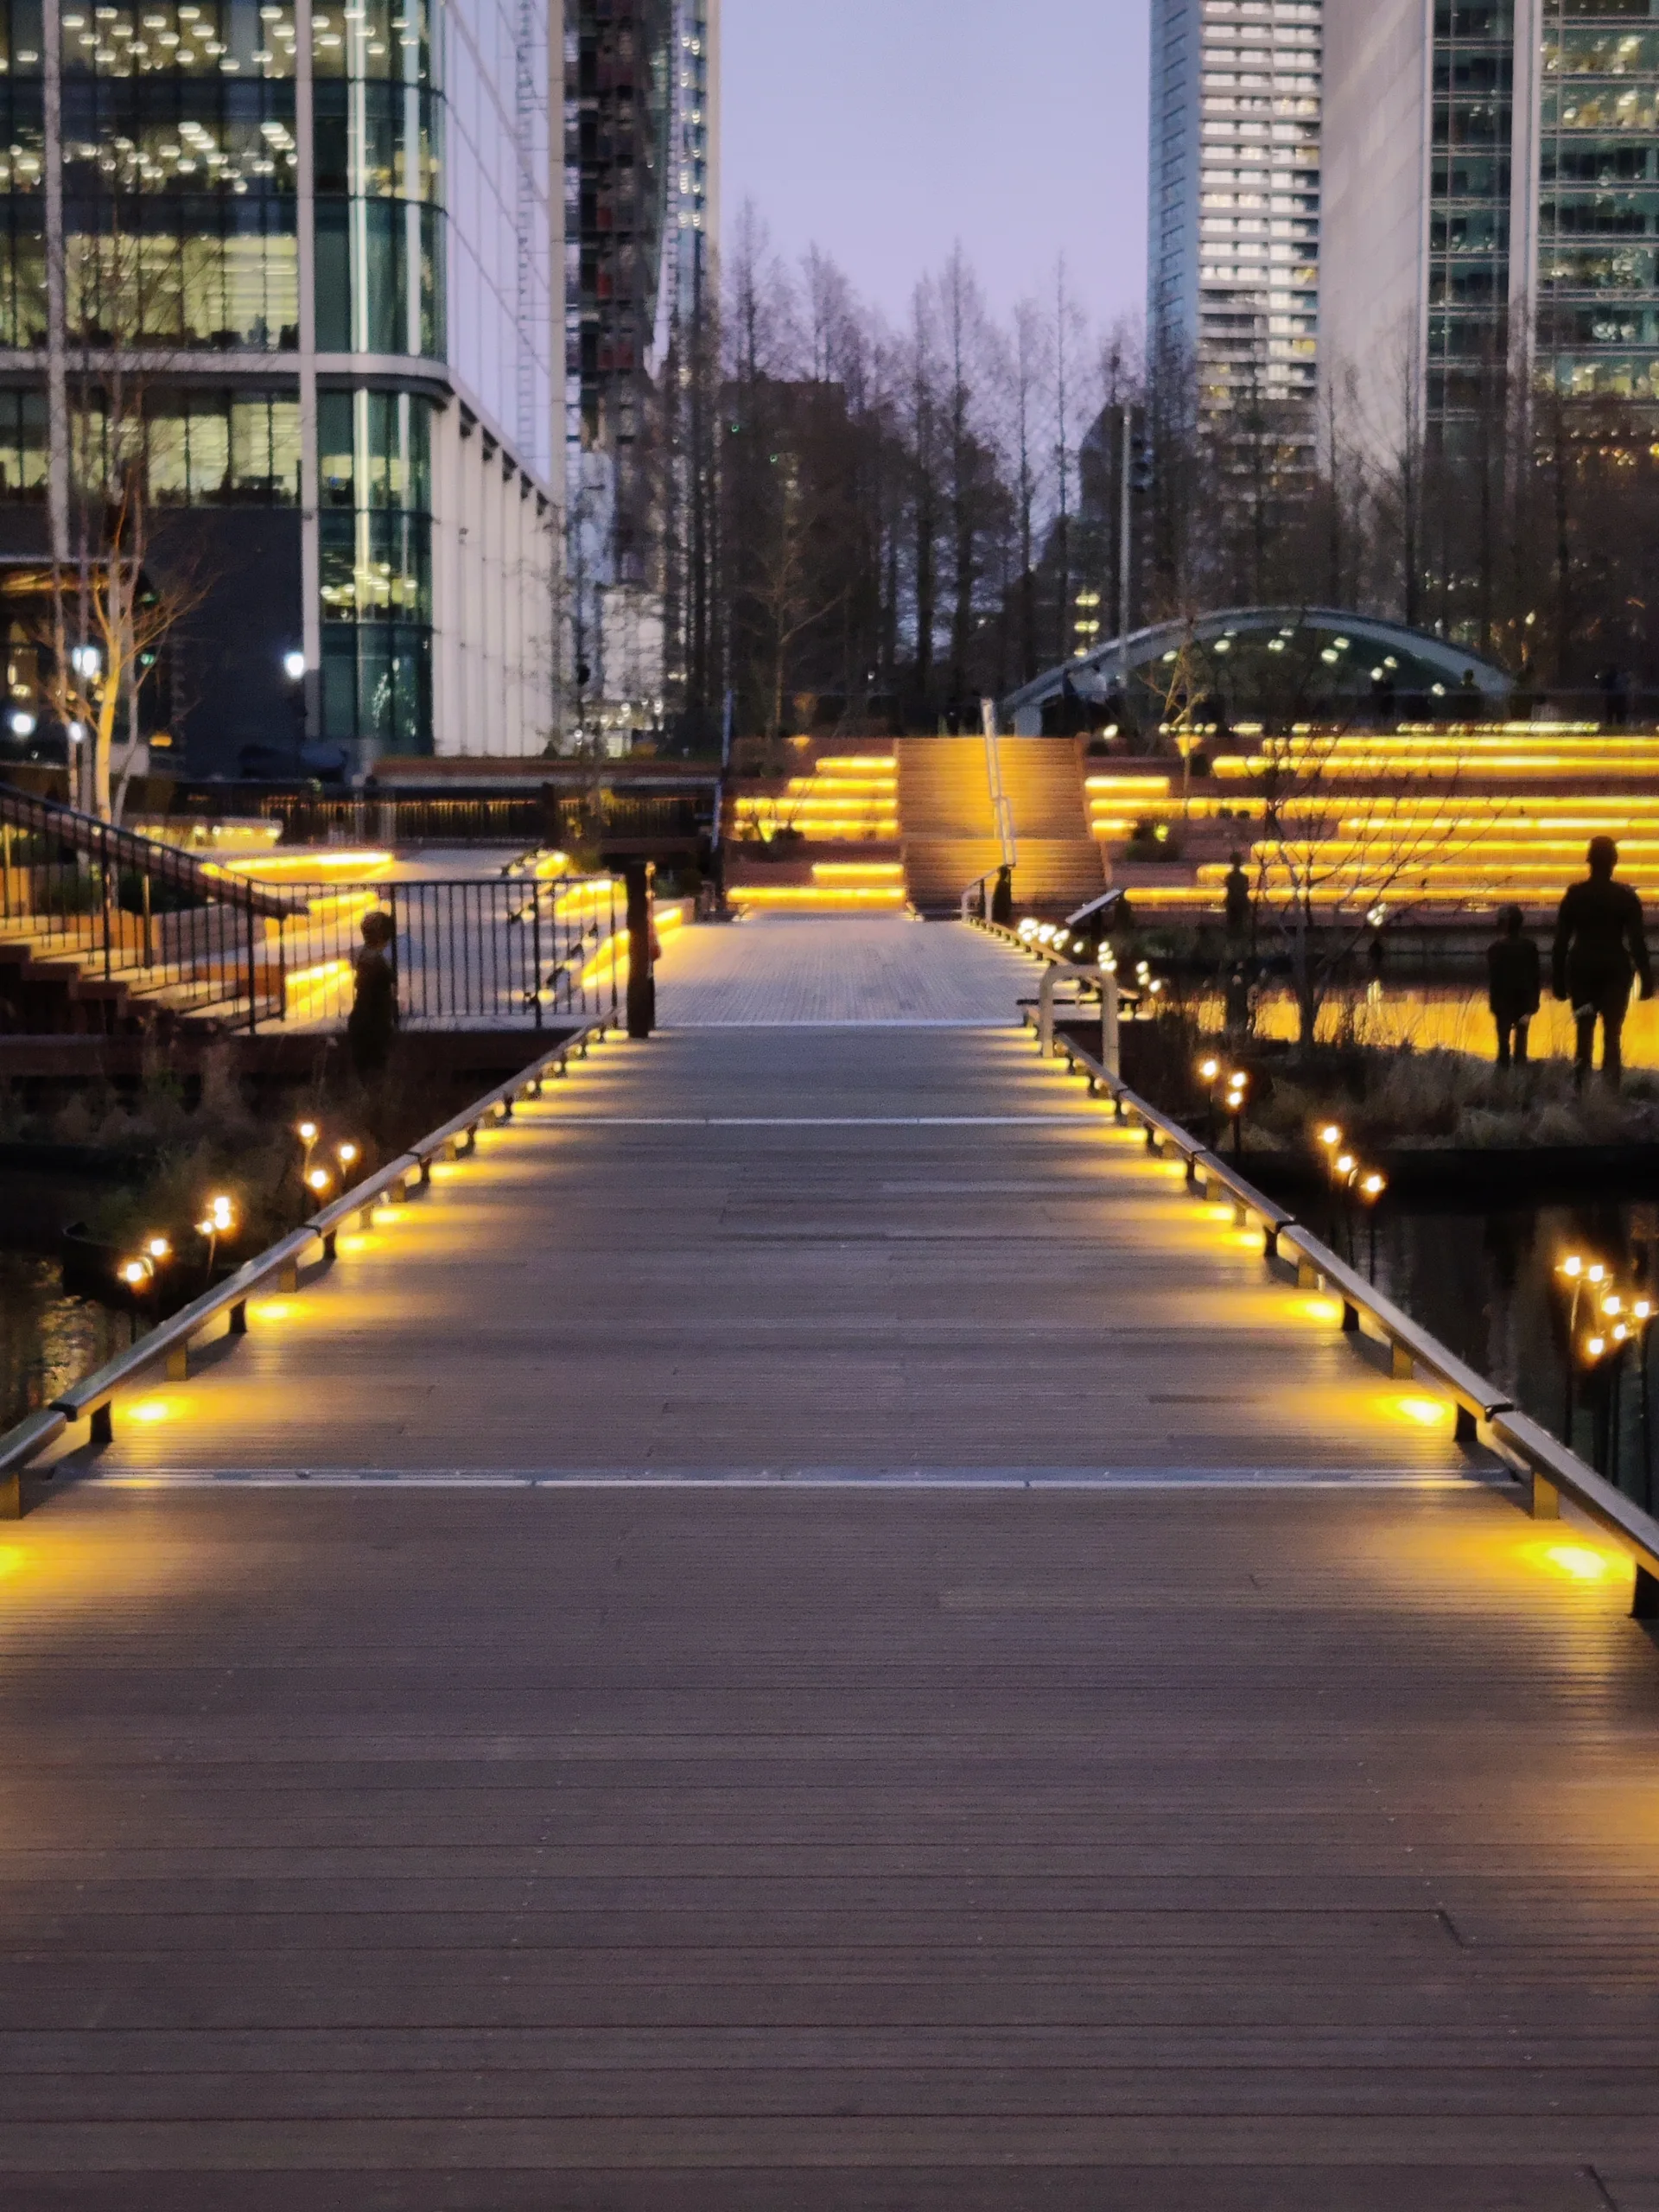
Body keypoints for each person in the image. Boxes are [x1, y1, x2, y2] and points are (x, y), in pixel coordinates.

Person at [1552, 837, 1650, 1088]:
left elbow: (1561, 942)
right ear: (1614, 862)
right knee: (1612, 1036)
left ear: (1589, 862)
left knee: (1584, 1035)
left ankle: (1582, 1092)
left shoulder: (1575, 896)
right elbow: (1637, 942)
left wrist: (1558, 981)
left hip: (1581, 970)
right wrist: (1647, 979)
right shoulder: (1625, 897)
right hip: (1615, 970)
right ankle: (1610, 1094)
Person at [1486, 905, 1540, 1069]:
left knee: (1503, 1045)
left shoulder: (1495, 949)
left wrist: (1493, 1004)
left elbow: (1494, 980)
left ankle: (1503, 1080)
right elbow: (1536, 978)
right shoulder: (1530, 947)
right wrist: (1533, 1005)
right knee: (1521, 1043)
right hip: (1523, 1002)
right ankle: (1520, 1079)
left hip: (1503, 1002)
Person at [346, 909, 397, 1078]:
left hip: (362, 1020)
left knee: (365, 1067)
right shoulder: (376, 961)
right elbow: (387, 981)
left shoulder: (364, 957)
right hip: (373, 1022)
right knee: (375, 1067)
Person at [1223, 850, 1251, 939]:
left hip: (1234, 902)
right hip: (1238, 903)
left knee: (1235, 927)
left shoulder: (1230, 877)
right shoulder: (1243, 877)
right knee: (1238, 926)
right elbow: (1245, 890)